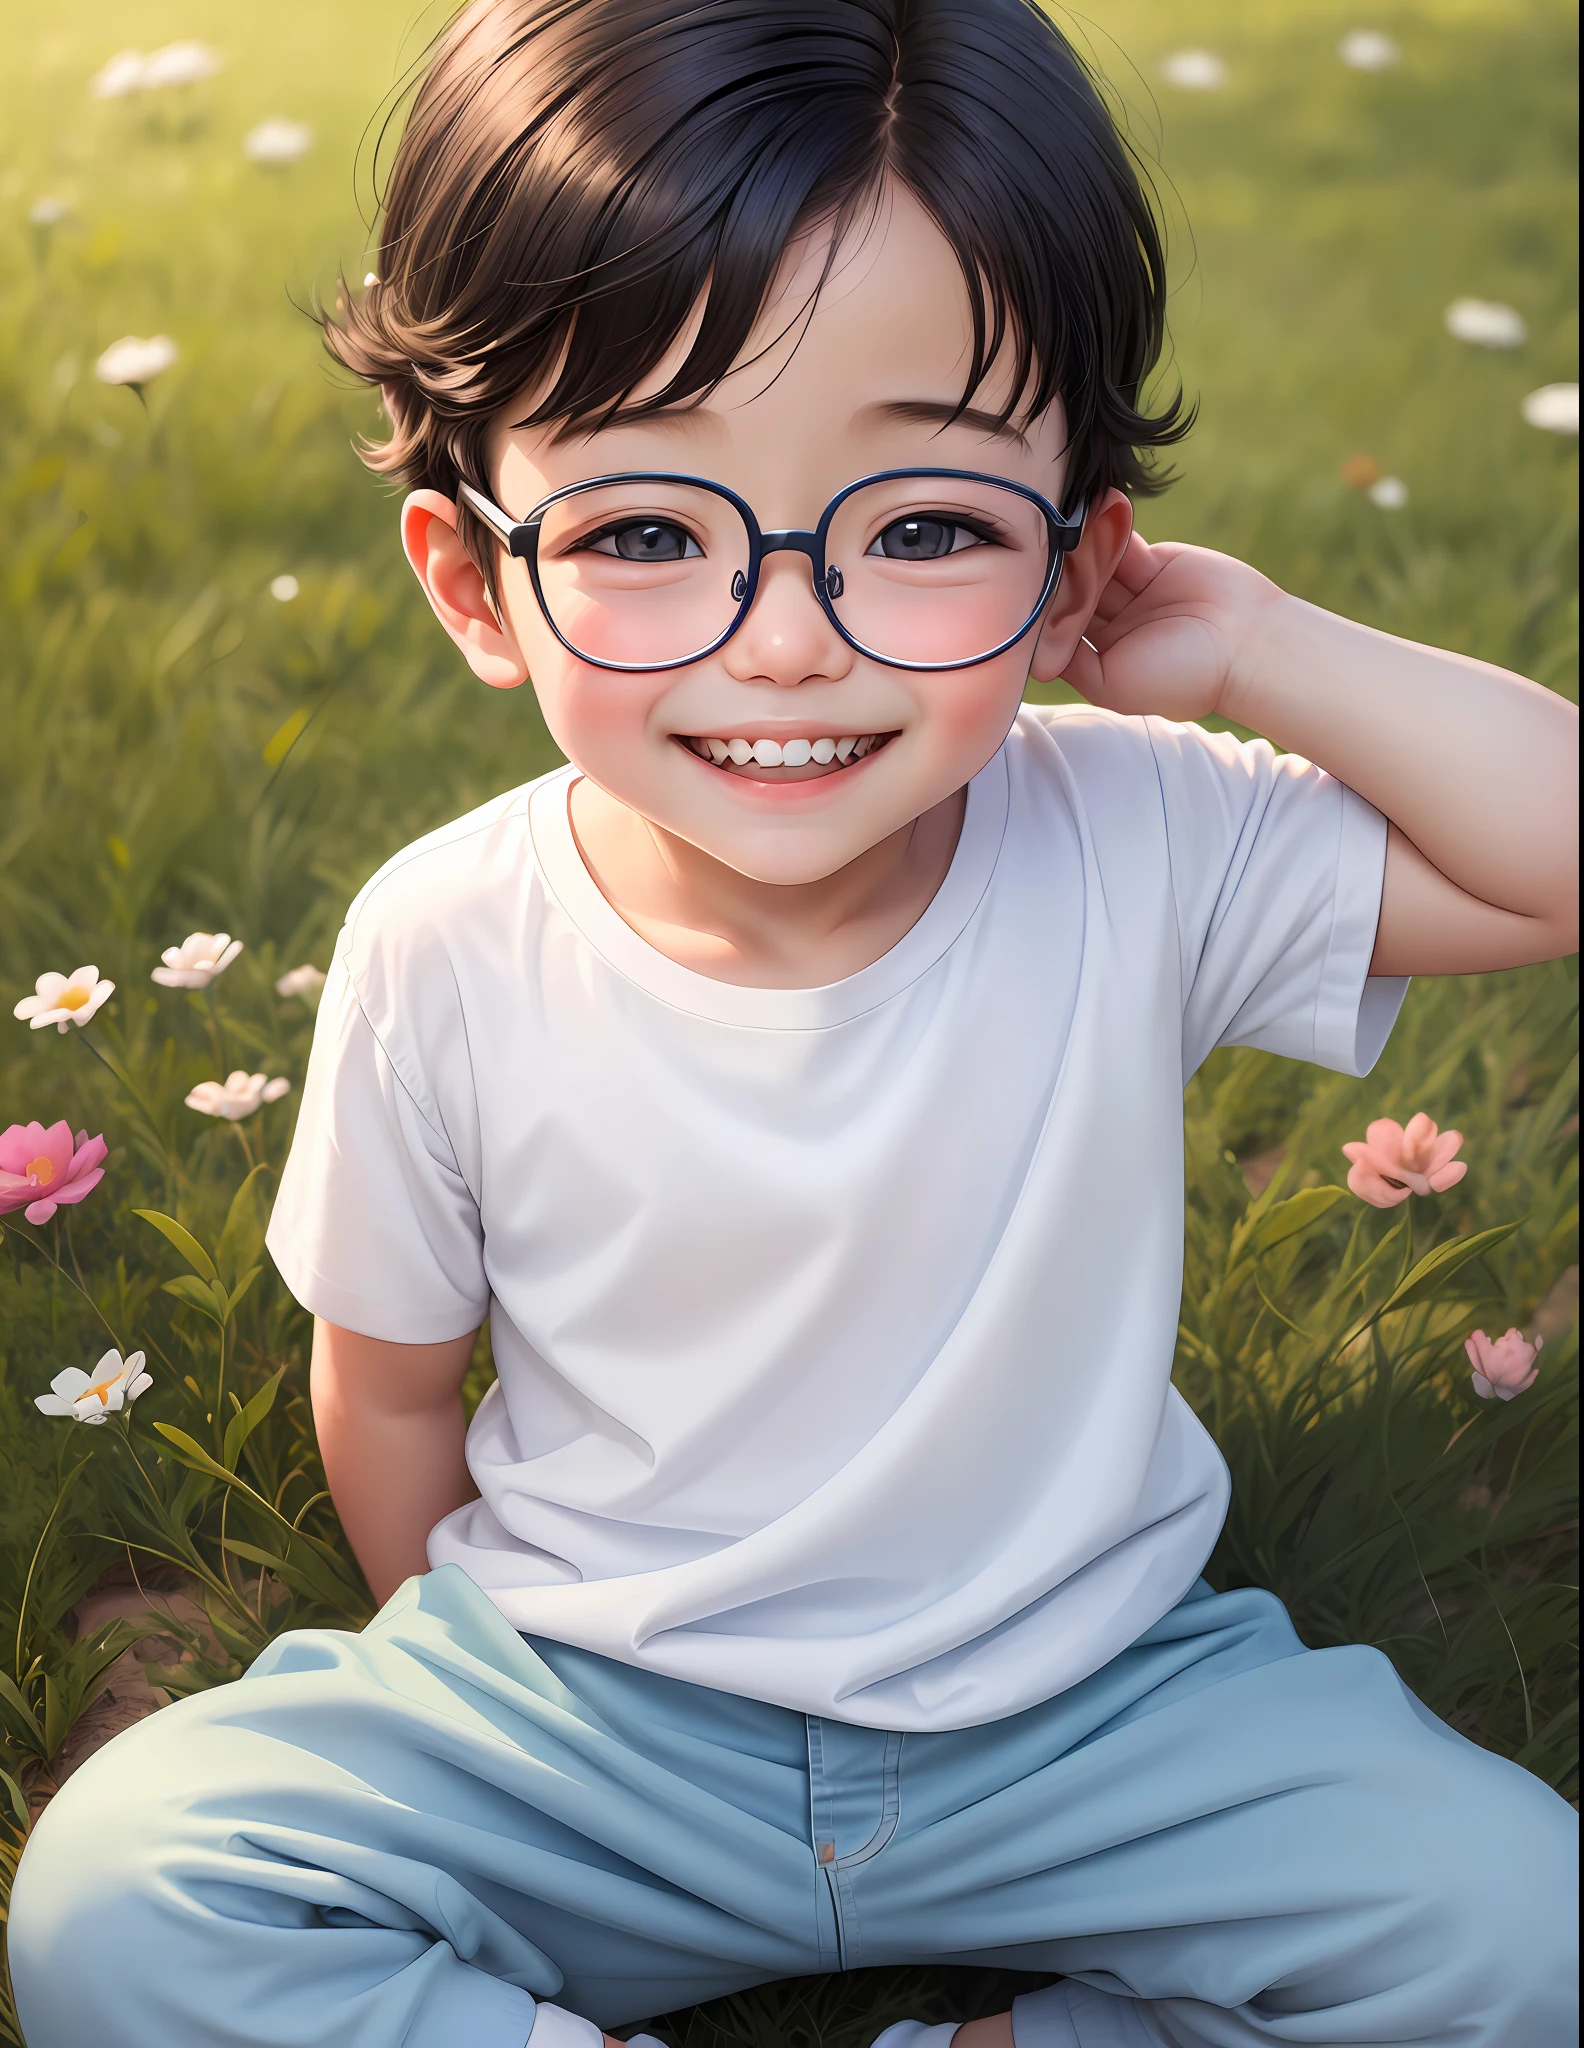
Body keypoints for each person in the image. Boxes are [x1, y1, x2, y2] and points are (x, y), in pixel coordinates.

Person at [9, 2, 1578, 2044]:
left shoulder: (1137, 838)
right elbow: (386, 1392)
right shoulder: (448, 940)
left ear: (1075, 554)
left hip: (1093, 1712)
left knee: (1530, 1932)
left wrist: (1261, 649)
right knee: (126, 1899)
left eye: (925, 527)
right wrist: (495, 1739)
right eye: (646, 532)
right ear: (478, 587)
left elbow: (1550, 861)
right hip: (598, 1719)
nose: (787, 637)